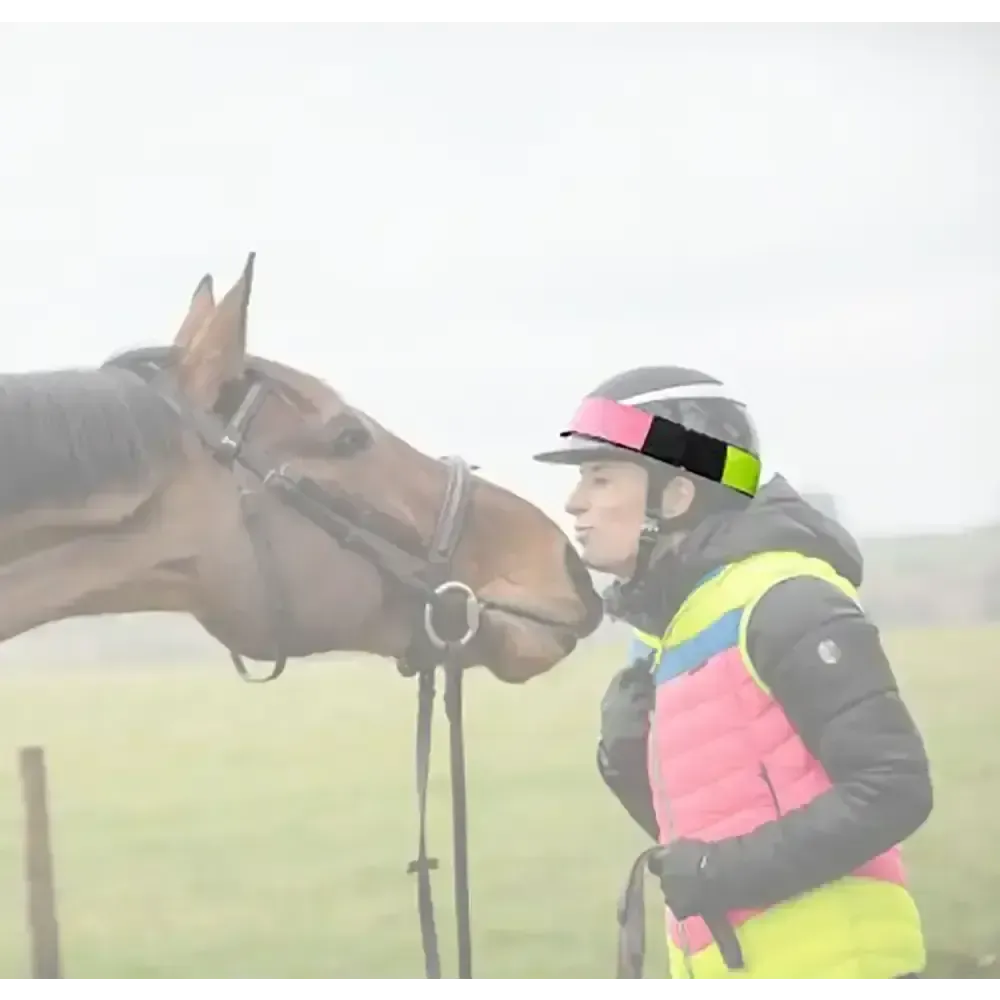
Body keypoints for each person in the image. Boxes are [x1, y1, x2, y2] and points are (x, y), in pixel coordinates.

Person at [533, 366, 933, 983]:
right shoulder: (667, 632)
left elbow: (892, 787)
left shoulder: (787, 599)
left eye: (600, 476)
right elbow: (716, 819)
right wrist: (626, 762)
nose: (575, 502)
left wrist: (720, 874)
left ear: (677, 496)